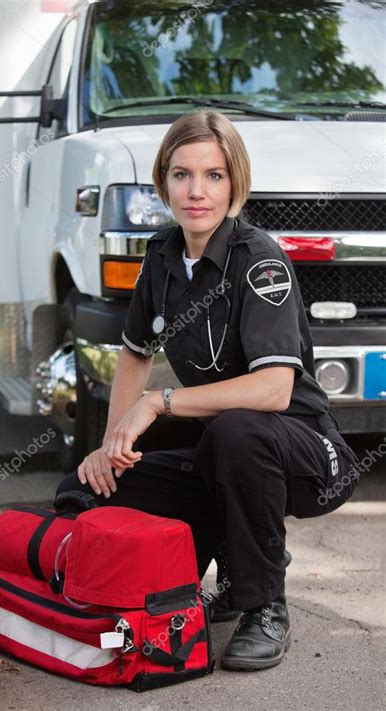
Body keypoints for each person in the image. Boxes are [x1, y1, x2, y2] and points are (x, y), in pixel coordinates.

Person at [55, 109, 360, 671]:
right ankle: (190, 581)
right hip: (224, 445)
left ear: (234, 183)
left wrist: (158, 402)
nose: (197, 191)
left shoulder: (260, 262)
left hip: (308, 455)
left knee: (236, 432)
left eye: (214, 175)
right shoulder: (163, 256)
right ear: (163, 181)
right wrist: (110, 447)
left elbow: (272, 391)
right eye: (182, 175)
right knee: (88, 484)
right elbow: (134, 353)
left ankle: (263, 602)